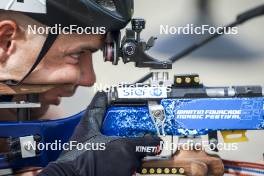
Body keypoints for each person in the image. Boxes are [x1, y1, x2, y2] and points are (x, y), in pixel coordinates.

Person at [0, 0, 161, 175]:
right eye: (76, 54)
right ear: (6, 42)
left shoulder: (21, 117)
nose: (89, 79)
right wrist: (73, 172)